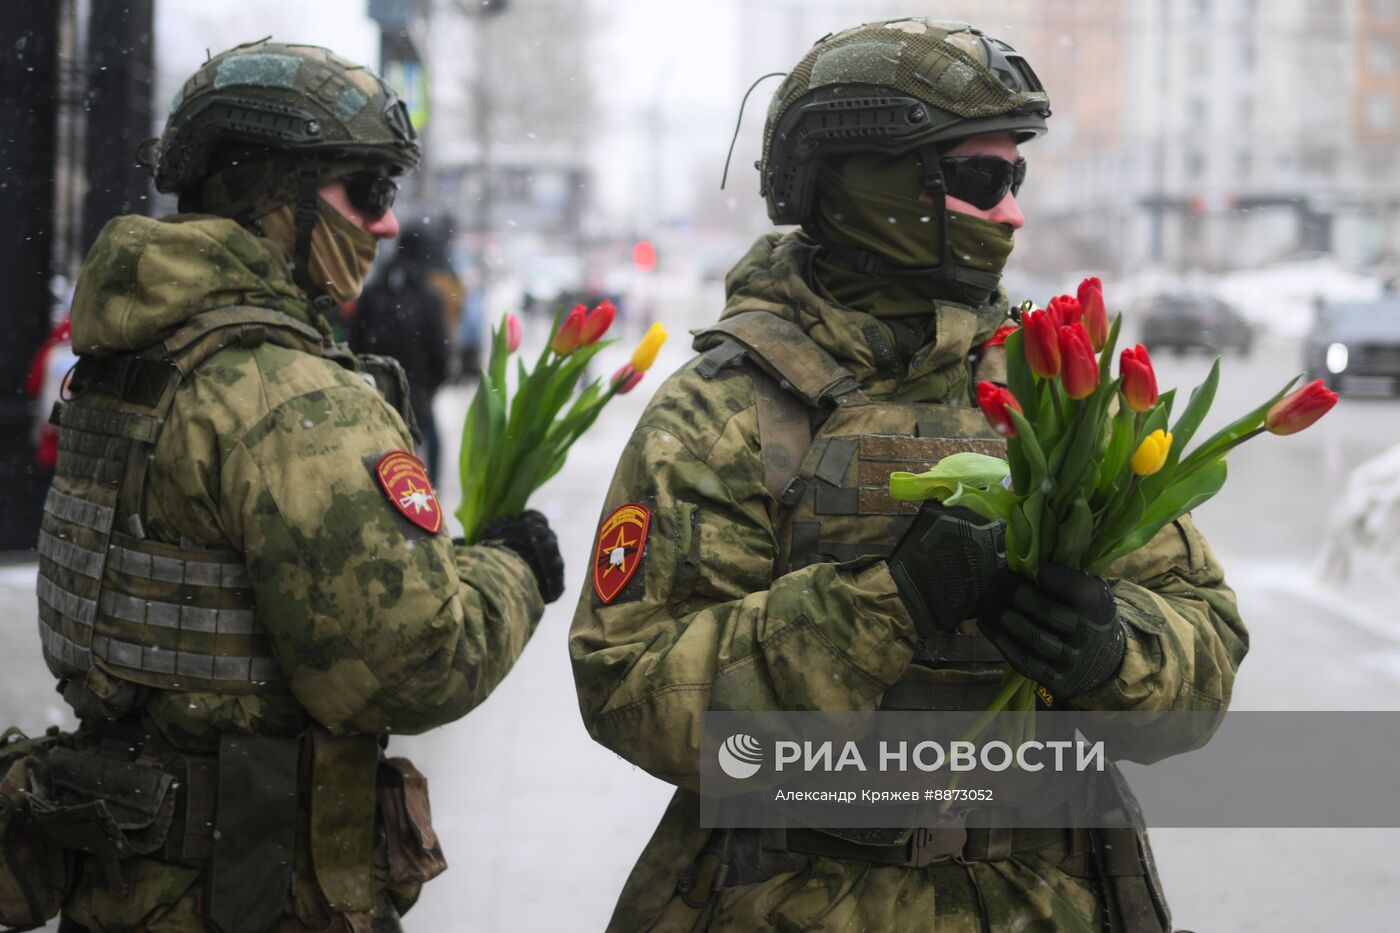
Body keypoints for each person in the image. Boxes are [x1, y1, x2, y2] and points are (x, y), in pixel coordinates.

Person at [570, 19, 1246, 933]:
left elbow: (1205, 652)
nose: (1012, 212)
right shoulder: (731, 409)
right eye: (979, 179)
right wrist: (888, 603)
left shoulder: (1055, 394)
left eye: (1017, 177)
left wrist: (1115, 649)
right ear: (874, 184)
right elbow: (631, 690)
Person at [17, 40, 564, 932]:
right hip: (252, 891)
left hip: (118, 874)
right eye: (369, 193)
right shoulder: (288, 398)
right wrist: (509, 569)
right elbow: (410, 669)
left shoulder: (124, 357)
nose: (387, 225)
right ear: (280, 198)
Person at [349, 217, 452, 480]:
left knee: (372, 454)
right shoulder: (428, 295)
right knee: (416, 451)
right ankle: (427, 494)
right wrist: (433, 385)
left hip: (371, 386)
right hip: (414, 390)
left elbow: (354, 339)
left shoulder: (374, 290)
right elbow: (439, 348)